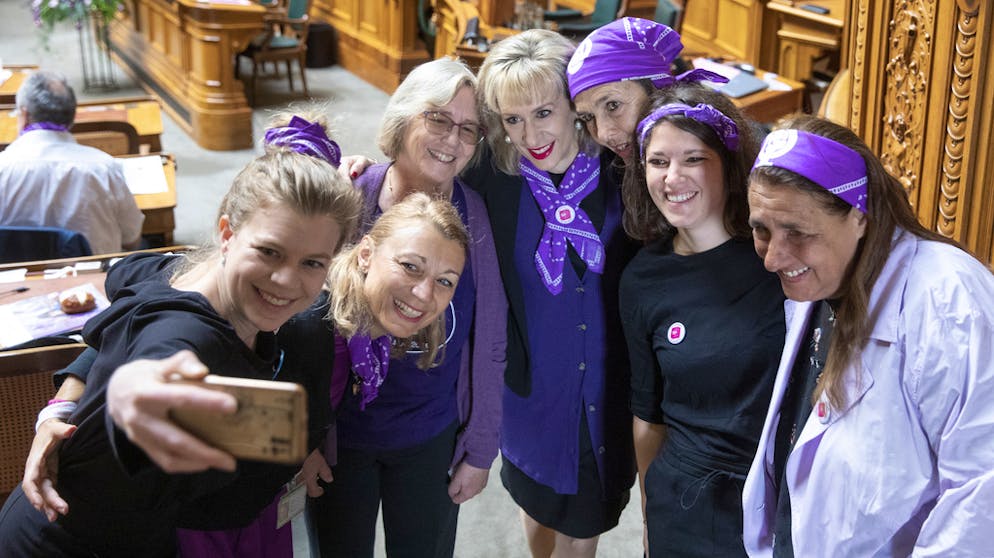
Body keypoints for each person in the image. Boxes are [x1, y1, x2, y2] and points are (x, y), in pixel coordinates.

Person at [0, 140, 367, 557]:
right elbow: (159, 354)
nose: (286, 280)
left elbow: (125, 278)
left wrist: (61, 405)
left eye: (312, 263)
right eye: (269, 252)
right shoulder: (188, 337)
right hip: (63, 543)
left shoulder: (178, 270)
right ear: (228, 233)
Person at [742, 114, 994, 557]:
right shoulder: (821, 281)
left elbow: (981, 491)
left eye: (797, 233)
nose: (773, 258)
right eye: (761, 230)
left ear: (859, 216)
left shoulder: (950, 299)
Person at [309, 58, 507, 558]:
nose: (452, 140)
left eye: (468, 129)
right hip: (342, 437)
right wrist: (303, 437)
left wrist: (481, 449)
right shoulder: (349, 195)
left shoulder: (475, 210)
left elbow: (490, 338)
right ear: (403, 118)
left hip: (430, 437)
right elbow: (298, 326)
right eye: (438, 119)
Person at [470, 29, 636, 557]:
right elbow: (418, 176)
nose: (528, 134)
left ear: (574, 104)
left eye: (543, 112)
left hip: (604, 392)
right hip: (528, 394)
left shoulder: (622, 169)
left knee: (581, 532)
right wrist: (365, 175)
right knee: (537, 509)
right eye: (512, 119)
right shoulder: (490, 176)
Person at [618, 83, 784, 557]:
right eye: (658, 161)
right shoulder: (641, 279)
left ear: (729, 166)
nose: (673, 177)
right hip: (688, 504)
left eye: (693, 159)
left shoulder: (778, 254)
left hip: (779, 493)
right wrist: (651, 522)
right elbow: (648, 416)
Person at [0, 70, 144, 254]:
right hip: (95, 277)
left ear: (24, 114)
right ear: (73, 115)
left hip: (18, 279)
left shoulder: (3, 166)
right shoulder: (104, 167)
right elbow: (131, 239)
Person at [566, 17, 724, 165]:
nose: (603, 135)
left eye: (613, 105)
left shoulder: (706, 159)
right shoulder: (618, 168)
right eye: (588, 117)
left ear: (660, 89)